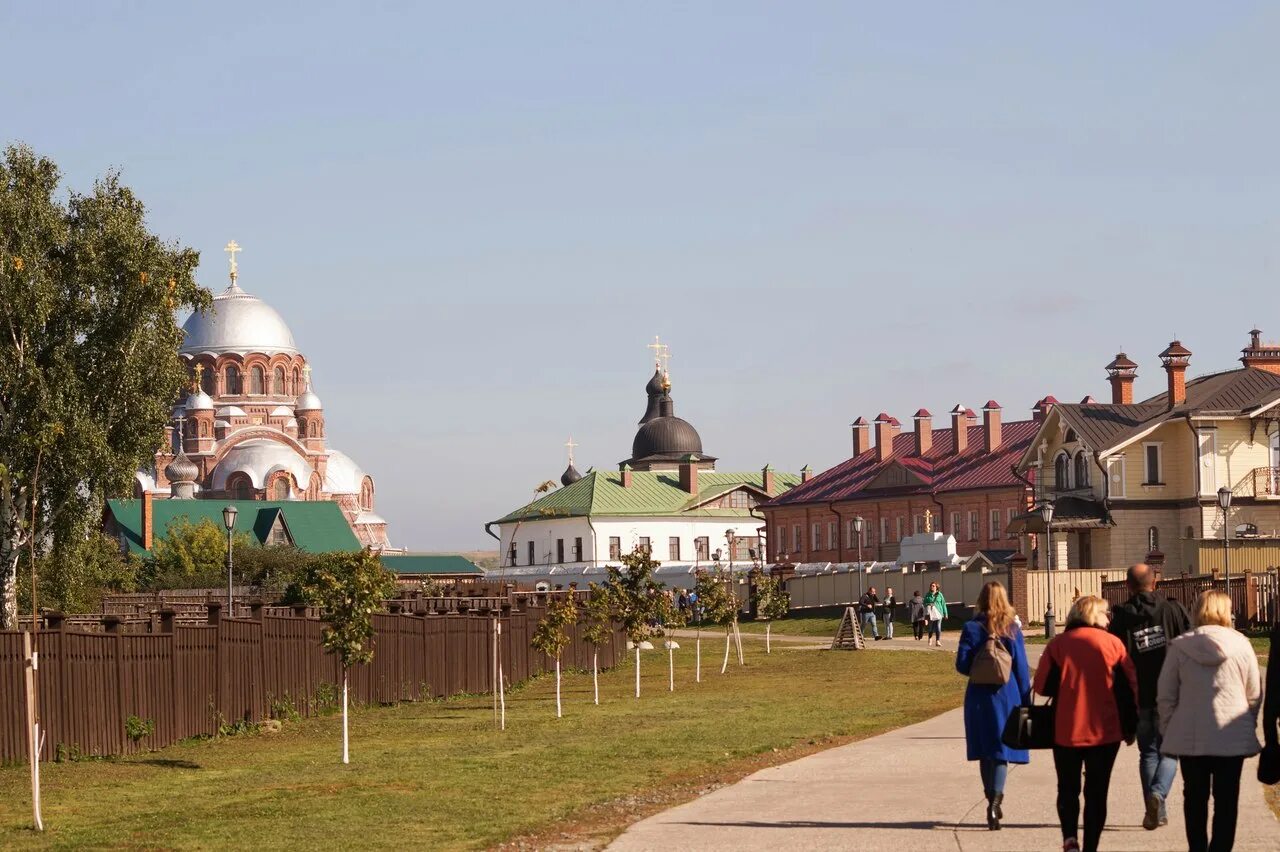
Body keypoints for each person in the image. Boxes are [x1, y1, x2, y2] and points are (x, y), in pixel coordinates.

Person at [1158, 590, 1261, 852]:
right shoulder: (1242, 644)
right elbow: (1254, 693)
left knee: (1194, 798)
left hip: (1191, 735)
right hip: (1231, 734)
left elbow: (1166, 694)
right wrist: (1247, 722)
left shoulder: (1181, 646)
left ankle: (1198, 848)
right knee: (1227, 800)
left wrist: (1169, 728)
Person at [1034, 595, 1137, 852]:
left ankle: (1070, 839)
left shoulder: (1058, 645)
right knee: (1097, 792)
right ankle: (1091, 845)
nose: (1108, 619)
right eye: (1105, 614)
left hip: (1066, 728)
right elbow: (1129, 688)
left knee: (1067, 788)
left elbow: (1042, 687)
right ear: (1093, 615)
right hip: (1105, 730)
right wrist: (1131, 726)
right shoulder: (1114, 644)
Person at [1107, 562, 1190, 830]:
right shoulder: (1173, 610)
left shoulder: (1120, 619)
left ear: (1128, 586)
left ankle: (1156, 809)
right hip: (1172, 696)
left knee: (1148, 754)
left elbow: (1115, 665)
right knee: (1171, 752)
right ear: (1155, 582)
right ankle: (1158, 795)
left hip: (1139, 696)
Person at [955, 581, 1030, 831]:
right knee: (1001, 751)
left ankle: (990, 798)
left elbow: (962, 665)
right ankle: (996, 802)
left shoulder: (971, 628)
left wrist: (981, 664)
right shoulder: (1012, 630)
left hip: (978, 695)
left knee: (985, 749)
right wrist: (1026, 701)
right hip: (1006, 695)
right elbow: (1020, 669)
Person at [923, 582, 948, 647]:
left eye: (933, 586)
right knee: (931, 627)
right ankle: (930, 638)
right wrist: (928, 604)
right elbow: (924, 603)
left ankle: (938, 641)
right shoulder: (928, 594)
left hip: (939, 613)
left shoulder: (940, 595)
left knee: (938, 627)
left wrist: (945, 613)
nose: (932, 587)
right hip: (931, 613)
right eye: (931, 586)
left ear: (936, 587)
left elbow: (943, 604)